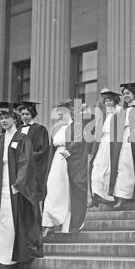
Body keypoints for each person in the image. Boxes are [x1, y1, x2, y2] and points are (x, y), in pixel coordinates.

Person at [0, 102, 37, 269]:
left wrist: (19, 184)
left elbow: (26, 162)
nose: (3, 121)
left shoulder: (22, 138)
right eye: (1, 118)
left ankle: (9, 259)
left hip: (13, 186)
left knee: (9, 220)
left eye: (7, 117)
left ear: (15, 118)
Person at [42, 99, 88, 236]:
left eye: (62, 113)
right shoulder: (56, 128)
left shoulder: (77, 126)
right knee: (52, 187)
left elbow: (78, 142)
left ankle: (68, 225)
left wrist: (69, 151)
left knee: (67, 191)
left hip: (70, 160)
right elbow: (51, 146)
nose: (60, 115)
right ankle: (49, 224)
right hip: (57, 159)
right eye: (58, 113)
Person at [18, 101, 49, 258]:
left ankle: (36, 237)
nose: (24, 116)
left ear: (32, 115)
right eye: (22, 114)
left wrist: (27, 159)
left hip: (34, 171)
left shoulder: (40, 130)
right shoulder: (17, 130)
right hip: (19, 172)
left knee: (34, 203)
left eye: (27, 114)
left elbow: (43, 151)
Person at [88, 90, 122, 208]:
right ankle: (95, 195)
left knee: (107, 169)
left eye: (110, 101)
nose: (108, 103)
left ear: (114, 101)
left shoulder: (118, 114)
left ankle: (107, 196)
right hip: (101, 144)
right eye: (106, 101)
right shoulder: (103, 116)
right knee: (96, 167)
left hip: (112, 144)